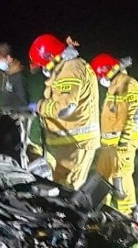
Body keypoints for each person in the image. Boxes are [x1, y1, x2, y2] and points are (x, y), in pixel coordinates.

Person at [28, 33, 99, 189]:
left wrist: (40, 107)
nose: (43, 70)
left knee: (68, 190)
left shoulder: (70, 69)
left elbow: (65, 108)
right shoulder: (66, 67)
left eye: (42, 65)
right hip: (69, 143)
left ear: (50, 57)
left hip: (76, 144)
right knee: (58, 185)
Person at [90, 54, 138, 214]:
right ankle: (100, 211)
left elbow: (136, 112)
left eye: (100, 76)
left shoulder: (129, 84)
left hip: (121, 144)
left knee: (121, 180)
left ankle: (127, 216)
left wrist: (124, 139)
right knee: (101, 178)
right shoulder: (114, 87)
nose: (100, 80)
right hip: (108, 145)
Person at [0, 42, 31, 111]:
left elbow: (23, 99)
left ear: (9, 58)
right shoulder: (2, 74)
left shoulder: (19, 75)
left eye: (0, 59)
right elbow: (3, 94)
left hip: (18, 111)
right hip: (7, 109)